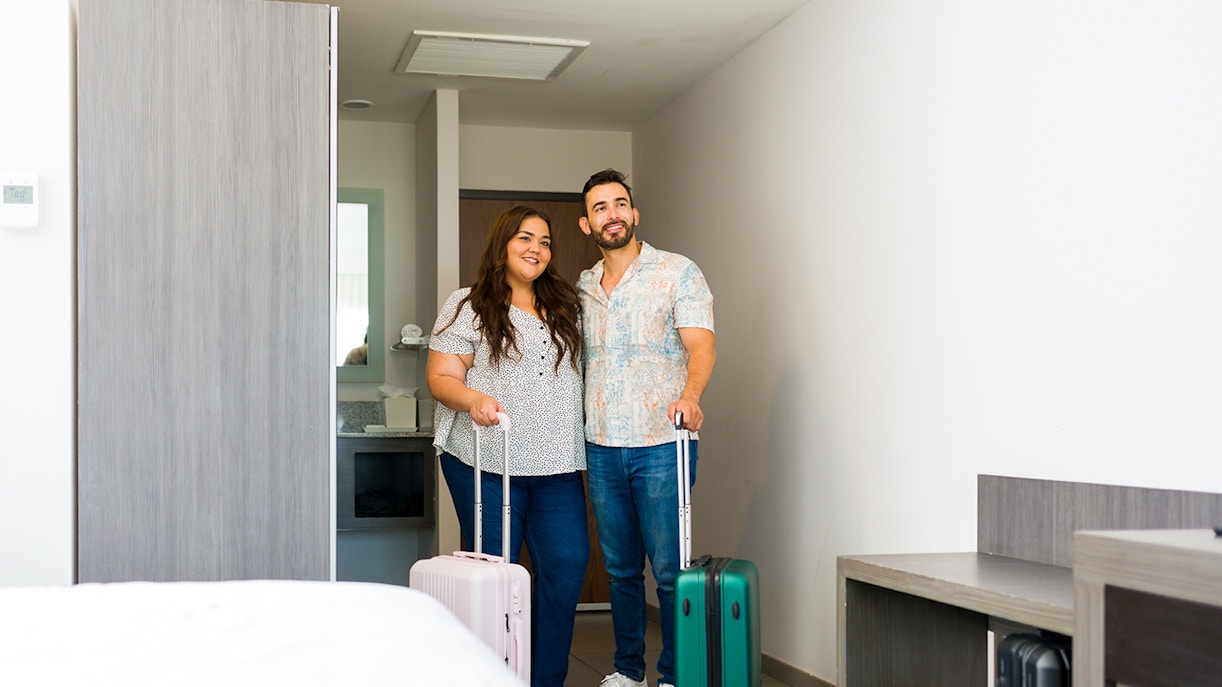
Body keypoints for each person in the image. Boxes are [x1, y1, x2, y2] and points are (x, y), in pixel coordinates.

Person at [427, 206, 589, 687]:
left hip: (558, 464)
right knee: (494, 581)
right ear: (503, 244)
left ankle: (544, 680)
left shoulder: (568, 307)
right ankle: (491, 676)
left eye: (544, 241)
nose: (536, 248)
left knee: (565, 570)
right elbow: (442, 377)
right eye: (524, 237)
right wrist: (473, 399)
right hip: (486, 462)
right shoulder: (468, 305)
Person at [576, 169, 716, 687]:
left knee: (670, 572)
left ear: (634, 214)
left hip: (662, 444)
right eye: (600, 207)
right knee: (619, 570)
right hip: (602, 446)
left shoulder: (677, 272)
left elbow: (702, 346)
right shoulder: (583, 287)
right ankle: (628, 671)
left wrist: (691, 397)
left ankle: (675, 675)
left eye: (619, 204)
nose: (611, 214)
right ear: (587, 224)